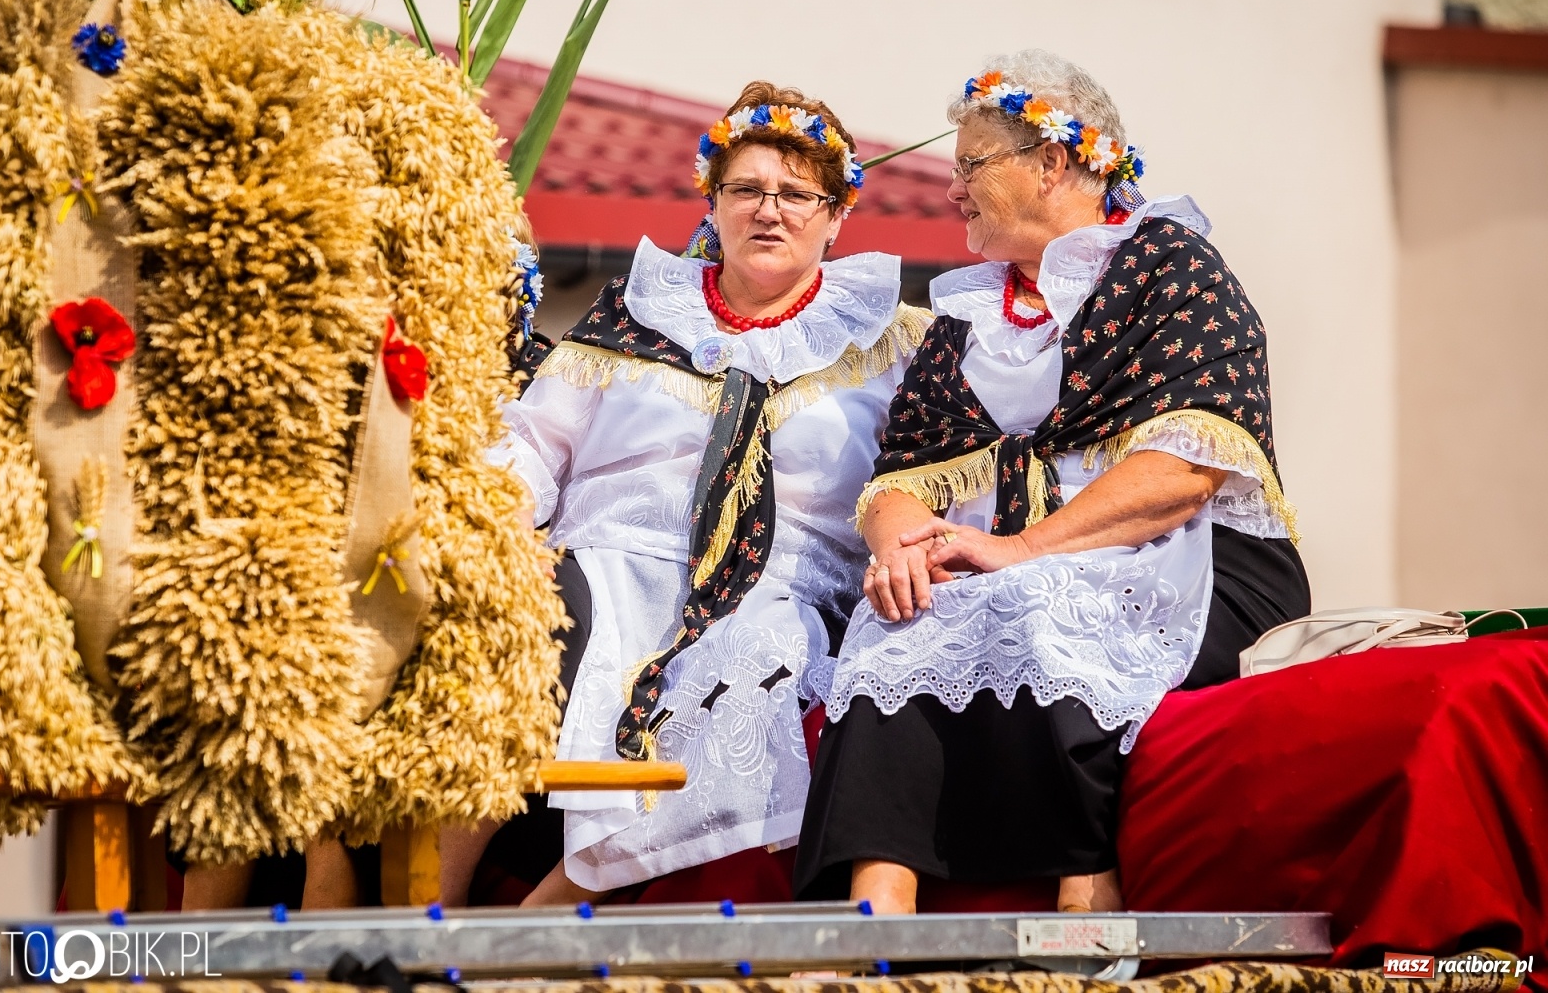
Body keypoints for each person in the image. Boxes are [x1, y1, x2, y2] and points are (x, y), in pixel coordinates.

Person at [794, 51, 1311, 914]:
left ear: (1052, 161)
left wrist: (1022, 549)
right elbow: (899, 477)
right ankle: (873, 913)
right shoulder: (968, 318)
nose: (951, 190)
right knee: (894, 623)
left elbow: (1185, 470)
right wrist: (903, 553)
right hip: (1019, 558)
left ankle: (1088, 894)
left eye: (969, 165)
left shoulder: (1172, 269)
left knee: (1041, 598)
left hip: (1197, 560)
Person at [457, 81, 931, 904]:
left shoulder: (894, 345)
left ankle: (547, 909)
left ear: (836, 216)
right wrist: (488, 529)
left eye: (795, 195)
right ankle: (430, 907)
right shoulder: (636, 314)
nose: (768, 211)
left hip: (781, 588)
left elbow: (925, 471)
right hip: (605, 561)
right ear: (713, 202)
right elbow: (533, 442)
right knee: (497, 619)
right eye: (746, 189)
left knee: (752, 667)